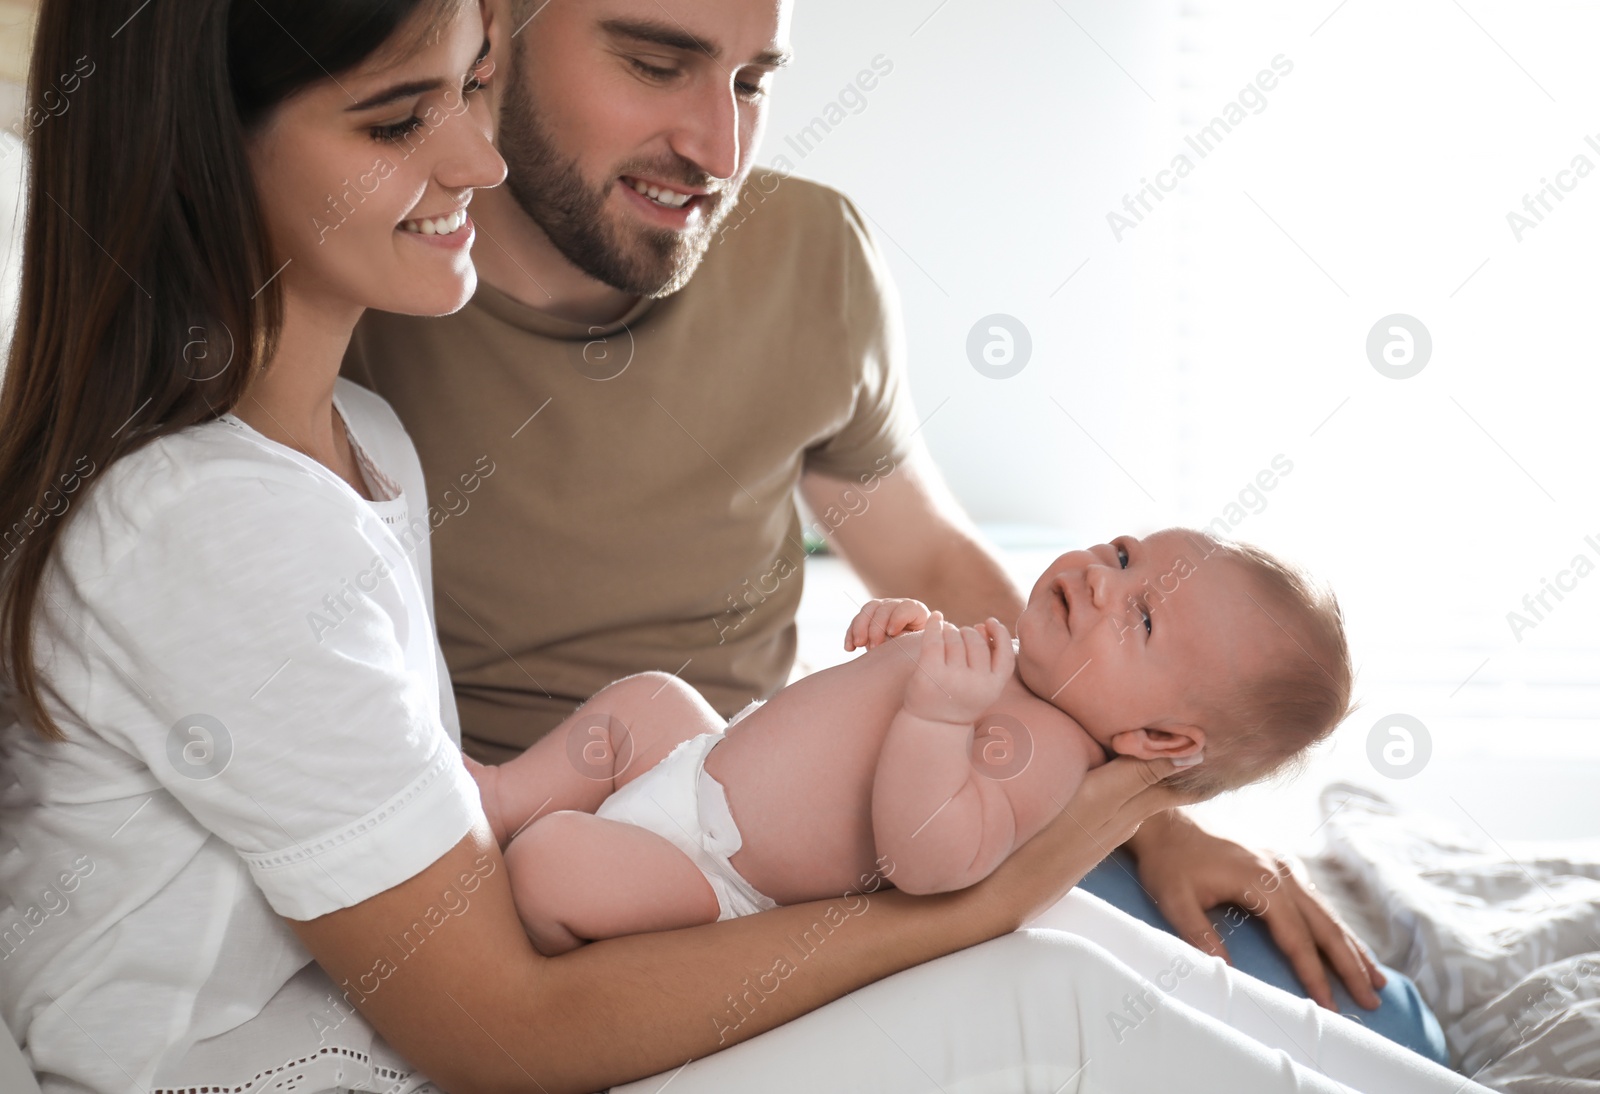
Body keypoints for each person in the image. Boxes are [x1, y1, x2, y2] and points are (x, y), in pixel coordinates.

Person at [0, 2, 1485, 1092]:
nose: (473, 150)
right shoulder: (255, 473)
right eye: (407, 116)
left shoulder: (361, 443)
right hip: (461, 958)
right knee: (1041, 993)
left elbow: (942, 561)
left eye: (756, 79)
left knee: (1219, 986)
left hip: (722, 821)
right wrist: (978, 898)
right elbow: (491, 1007)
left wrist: (1142, 803)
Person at [474, 529, 1354, 952]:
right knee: (651, 700)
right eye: (1123, 557)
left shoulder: (1050, 762)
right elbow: (846, 720)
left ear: (1158, 735)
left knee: (554, 863)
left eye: (1143, 617)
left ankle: (557, 918)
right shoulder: (1007, 665)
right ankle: (499, 794)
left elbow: (930, 859)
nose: (1096, 583)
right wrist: (905, 638)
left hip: (720, 878)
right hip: (703, 764)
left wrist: (933, 715)